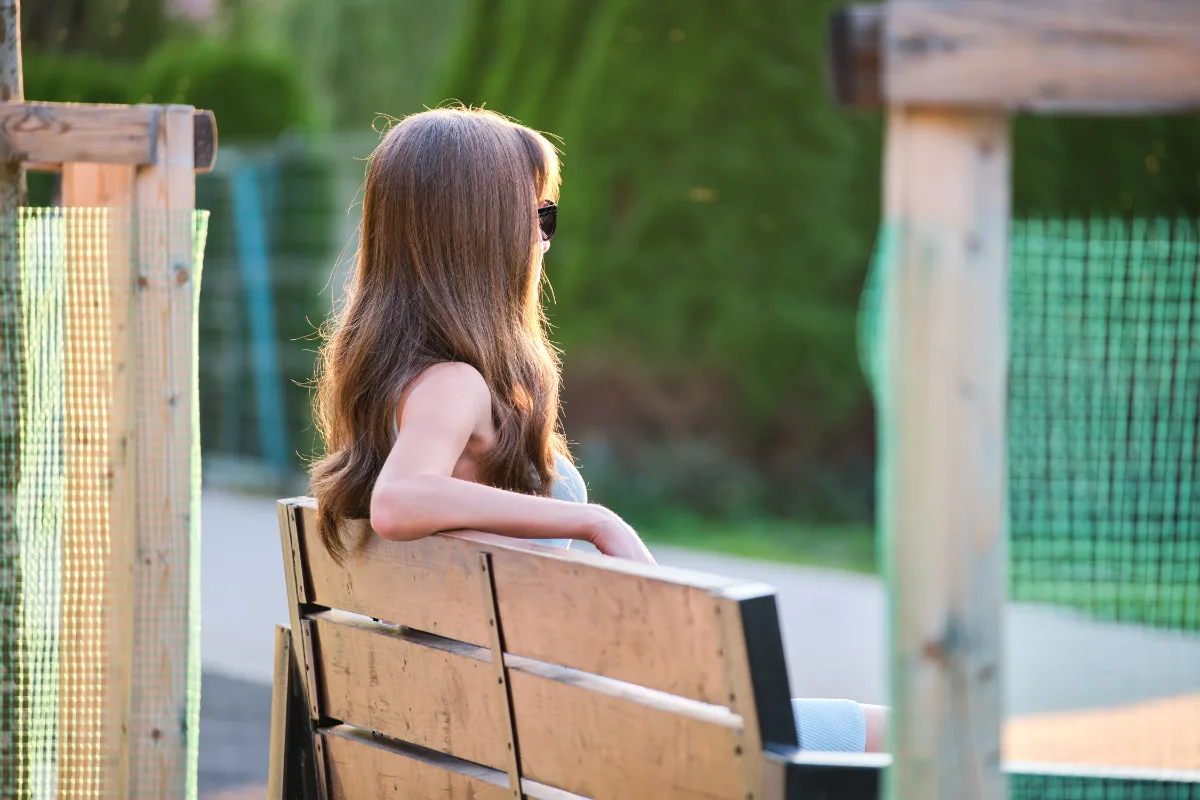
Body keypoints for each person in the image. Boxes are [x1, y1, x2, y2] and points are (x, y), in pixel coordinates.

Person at [308, 105, 886, 753]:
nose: (543, 239)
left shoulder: (392, 383)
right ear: (483, 231)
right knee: (901, 738)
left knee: (865, 729)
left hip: (500, 730)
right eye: (538, 217)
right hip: (561, 742)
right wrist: (592, 521)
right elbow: (399, 499)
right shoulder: (453, 385)